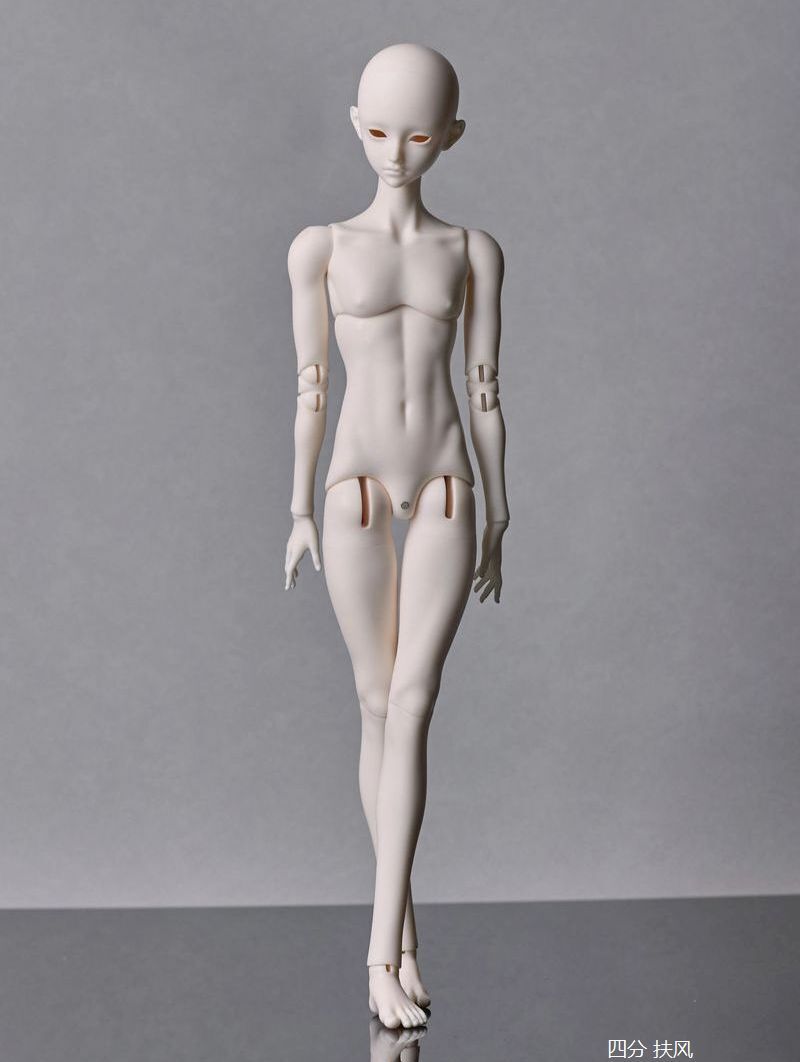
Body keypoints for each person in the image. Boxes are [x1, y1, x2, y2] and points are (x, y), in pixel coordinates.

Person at [284, 42, 509, 1029]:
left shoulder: (472, 251)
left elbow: (485, 391)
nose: (394, 152)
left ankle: (380, 954)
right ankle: (400, 943)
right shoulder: (320, 248)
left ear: (449, 136)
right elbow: (310, 389)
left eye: (416, 135)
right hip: (355, 486)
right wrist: (298, 509)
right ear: (355, 125)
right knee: (376, 704)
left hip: (448, 484)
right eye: (377, 131)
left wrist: (500, 510)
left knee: (412, 703)